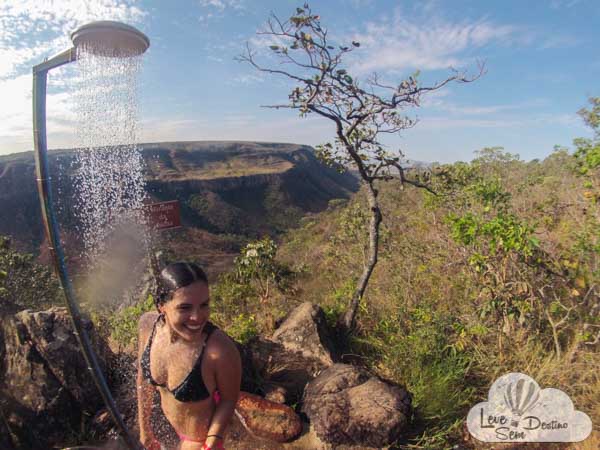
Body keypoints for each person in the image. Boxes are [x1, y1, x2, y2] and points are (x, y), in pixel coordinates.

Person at [137, 262, 242, 450]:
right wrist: (145, 430)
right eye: (184, 308)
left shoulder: (218, 350)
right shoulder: (148, 327)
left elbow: (228, 400)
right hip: (171, 428)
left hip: (200, 439)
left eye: (204, 305)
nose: (197, 317)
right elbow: (143, 380)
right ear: (162, 306)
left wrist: (211, 444)